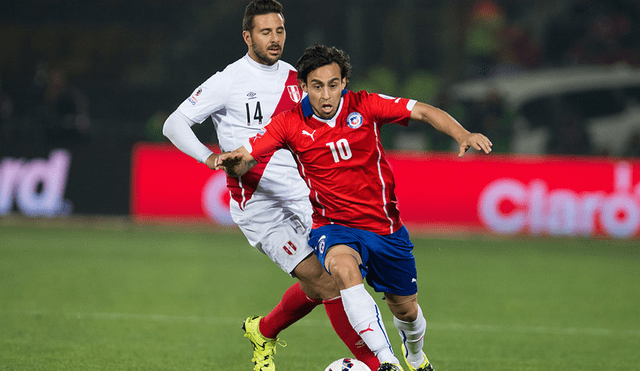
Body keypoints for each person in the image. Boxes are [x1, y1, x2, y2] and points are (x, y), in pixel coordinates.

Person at [216, 44, 493, 371]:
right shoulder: (289, 124)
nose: (325, 94)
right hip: (333, 226)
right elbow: (246, 155)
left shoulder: (367, 105)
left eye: (333, 84)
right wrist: (233, 164)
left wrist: (461, 133)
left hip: (385, 229)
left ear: (344, 82)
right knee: (342, 272)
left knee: (406, 311)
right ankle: (386, 362)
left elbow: (423, 111)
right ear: (303, 87)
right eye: (316, 86)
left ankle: (415, 355)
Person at [161, 2, 379, 371]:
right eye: (265, 32)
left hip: (304, 197)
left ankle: (263, 331)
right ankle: (378, 364)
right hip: (260, 207)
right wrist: (210, 157)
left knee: (340, 275)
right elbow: (175, 124)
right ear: (248, 37)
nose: (275, 39)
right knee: (328, 284)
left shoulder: (296, 78)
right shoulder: (228, 81)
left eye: (279, 31)